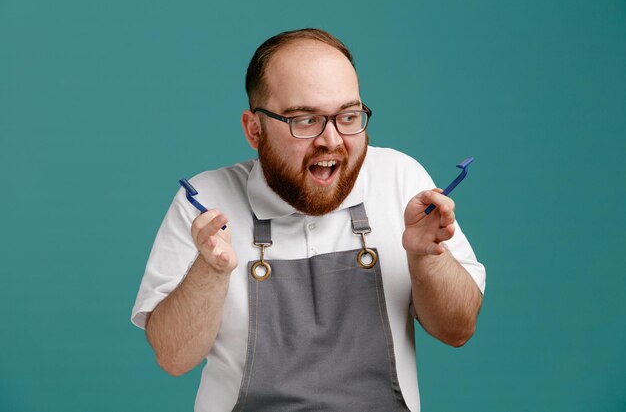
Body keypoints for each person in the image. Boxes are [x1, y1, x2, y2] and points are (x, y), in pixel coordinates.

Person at [131, 28, 485, 412]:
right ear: (254, 129)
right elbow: (173, 357)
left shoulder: (401, 180)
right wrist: (210, 271)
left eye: (348, 116)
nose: (331, 140)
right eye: (305, 120)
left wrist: (426, 256)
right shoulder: (205, 202)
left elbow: (457, 330)